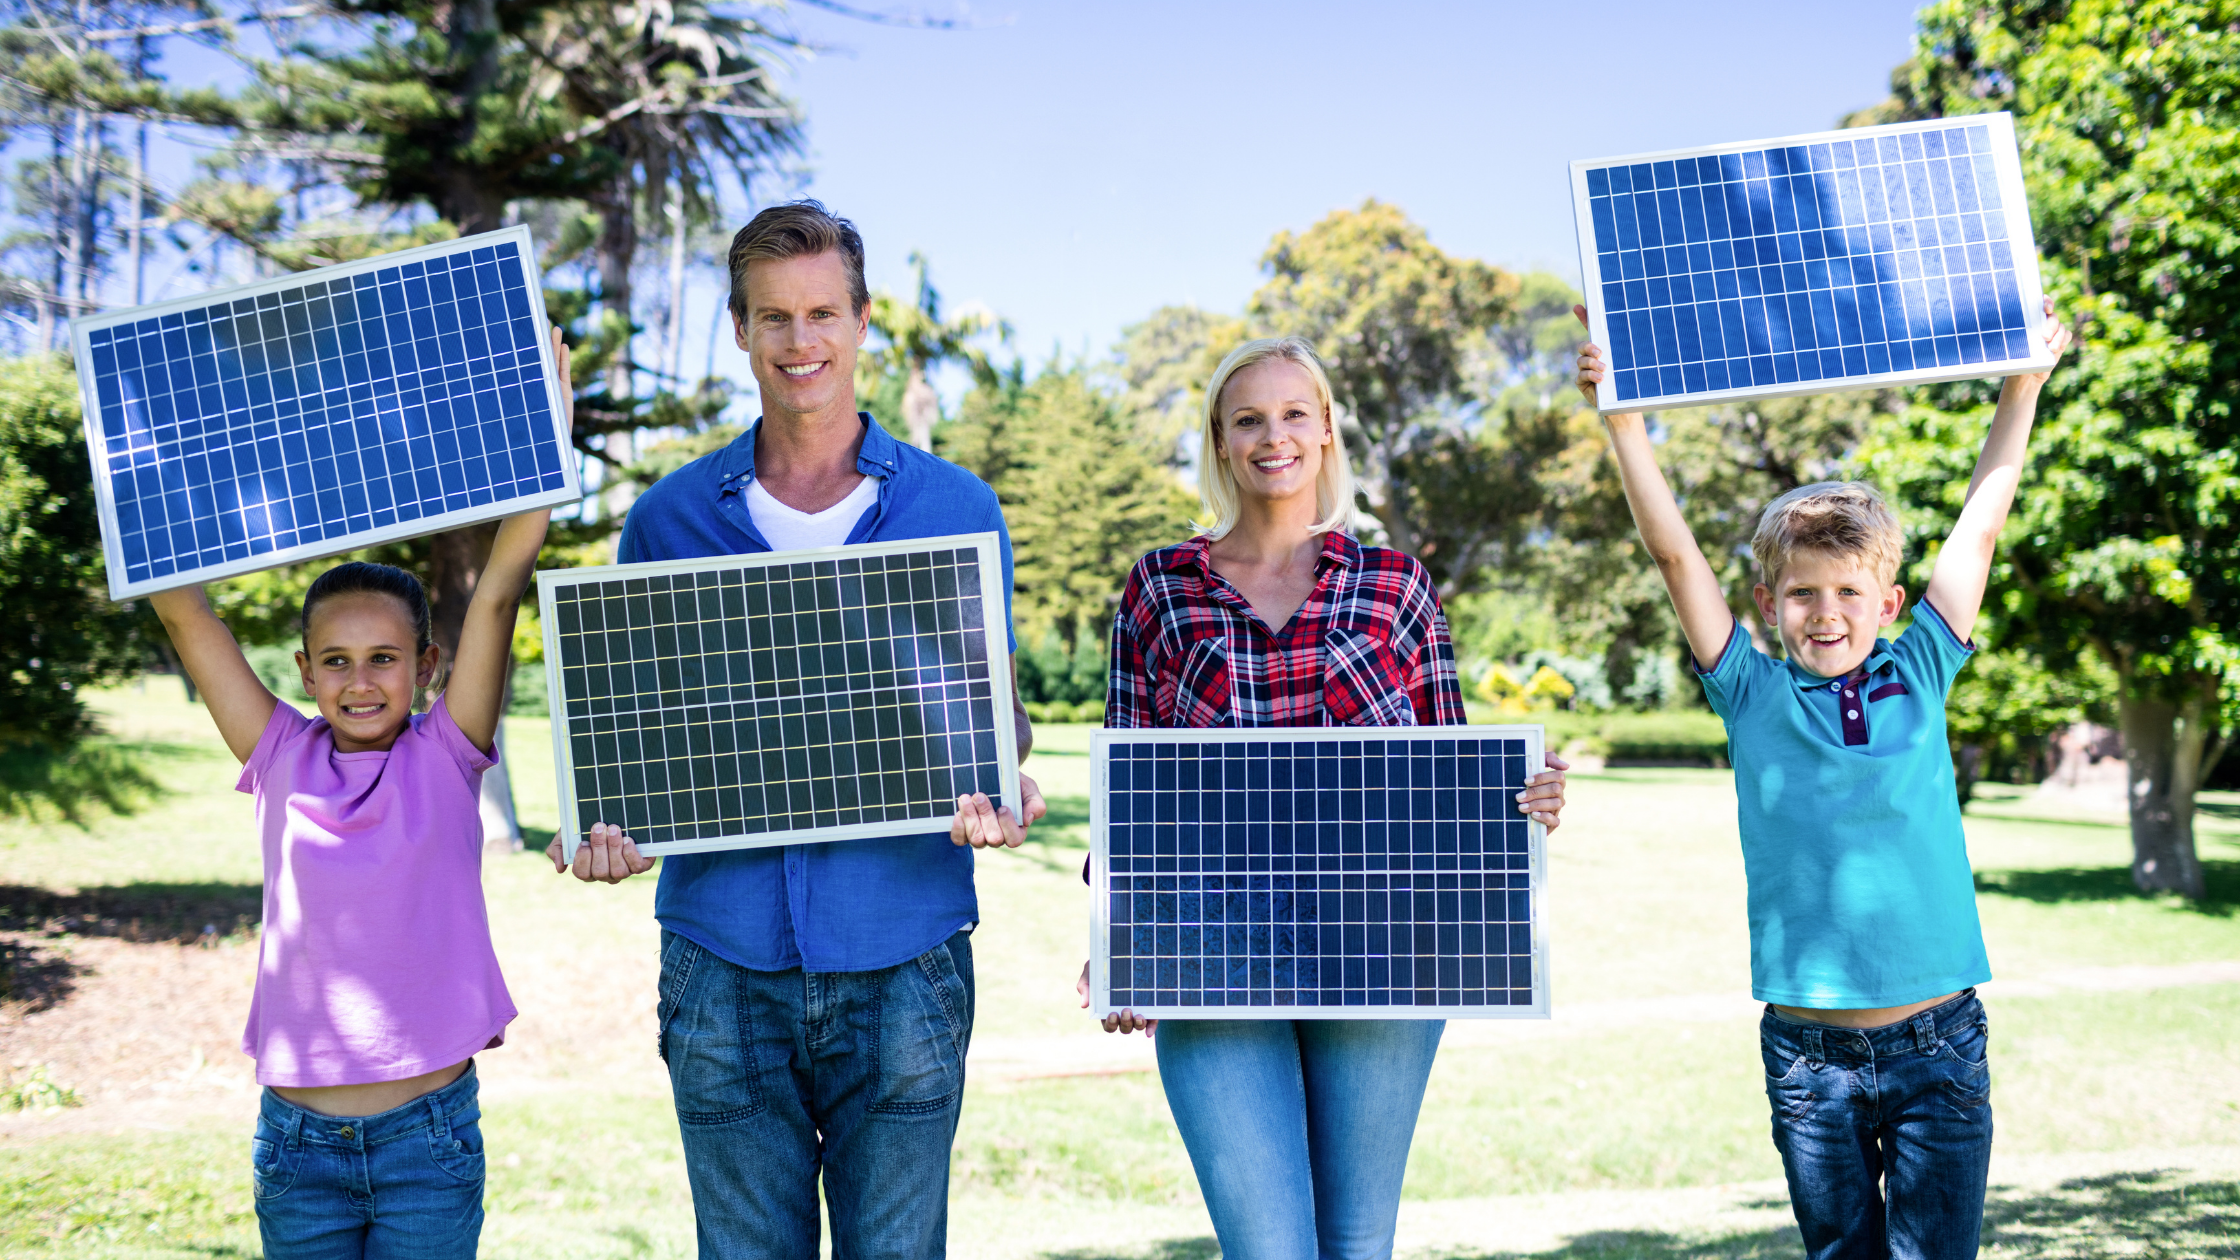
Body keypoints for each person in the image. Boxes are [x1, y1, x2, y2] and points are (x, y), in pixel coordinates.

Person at [550, 199, 1044, 1260]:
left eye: (822, 312)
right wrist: (611, 830)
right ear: (738, 328)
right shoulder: (669, 519)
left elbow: (993, 711)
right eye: (773, 317)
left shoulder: (958, 509)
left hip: (904, 954)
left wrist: (1011, 778)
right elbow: (639, 735)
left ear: (863, 321)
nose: (799, 341)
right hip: (722, 965)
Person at [1572, 298, 2071, 1259]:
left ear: (1889, 601)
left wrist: (2023, 385)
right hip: (1809, 1061)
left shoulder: (1924, 668)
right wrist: (1624, 422)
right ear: (1768, 603)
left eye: (1849, 593)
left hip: (1940, 1048)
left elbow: (1980, 526)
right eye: (1802, 592)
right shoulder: (1750, 692)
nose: (1826, 612)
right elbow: (1674, 556)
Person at [1084, 336, 1571, 1260]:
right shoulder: (1160, 587)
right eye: (1249, 419)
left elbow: (1455, 779)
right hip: (1213, 951)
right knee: (1269, 1249)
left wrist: (1529, 796)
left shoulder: (1393, 586)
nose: (1275, 436)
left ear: (1327, 430)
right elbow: (1127, 783)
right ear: (1221, 442)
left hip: (1380, 954)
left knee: (1357, 1244)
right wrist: (1121, 940)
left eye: (1295, 414)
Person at [148, 331, 562, 1258]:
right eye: (336, 661)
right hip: (298, 1150)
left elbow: (497, 591)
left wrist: (542, 441)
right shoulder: (280, 753)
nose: (361, 680)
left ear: (427, 667)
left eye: (384, 659)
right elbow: (184, 607)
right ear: (303, 670)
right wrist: (153, 455)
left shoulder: (447, 755)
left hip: (428, 1141)